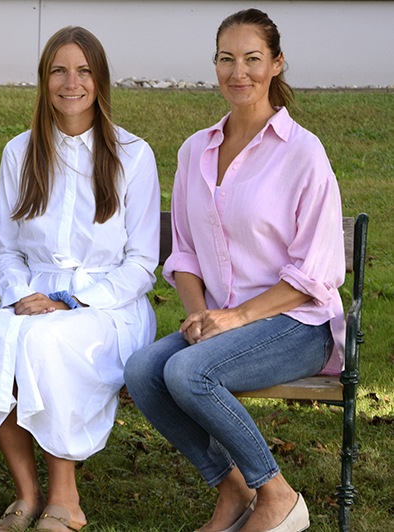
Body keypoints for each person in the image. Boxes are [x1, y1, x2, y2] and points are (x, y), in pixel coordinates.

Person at [124, 8, 345, 532]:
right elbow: (183, 252)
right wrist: (201, 316)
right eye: (227, 59)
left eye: (252, 59)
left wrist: (237, 317)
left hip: (298, 323)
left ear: (276, 65)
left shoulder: (303, 154)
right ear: (215, 65)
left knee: (187, 372)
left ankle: (277, 496)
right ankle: (233, 489)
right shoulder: (194, 151)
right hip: (224, 320)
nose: (238, 72)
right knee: (143, 373)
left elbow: (316, 271)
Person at [0, 26, 160, 532]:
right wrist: (28, 298)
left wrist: (68, 300)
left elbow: (141, 264)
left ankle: (66, 499)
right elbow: (6, 250)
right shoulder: (20, 153)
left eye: (84, 70)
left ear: (100, 80)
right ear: (44, 81)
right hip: (32, 298)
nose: (72, 82)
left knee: (45, 345)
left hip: (108, 305)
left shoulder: (133, 154)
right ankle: (27, 492)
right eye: (59, 70)